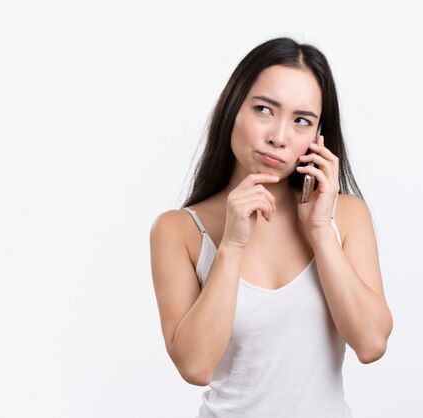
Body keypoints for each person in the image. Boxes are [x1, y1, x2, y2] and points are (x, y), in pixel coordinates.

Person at [149, 37, 393, 418]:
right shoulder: (179, 230)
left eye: (301, 121)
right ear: (232, 109)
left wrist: (319, 231)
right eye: (264, 109)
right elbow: (195, 368)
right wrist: (231, 245)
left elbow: (371, 343)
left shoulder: (345, 217)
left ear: (317, 138)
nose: (278, 137)